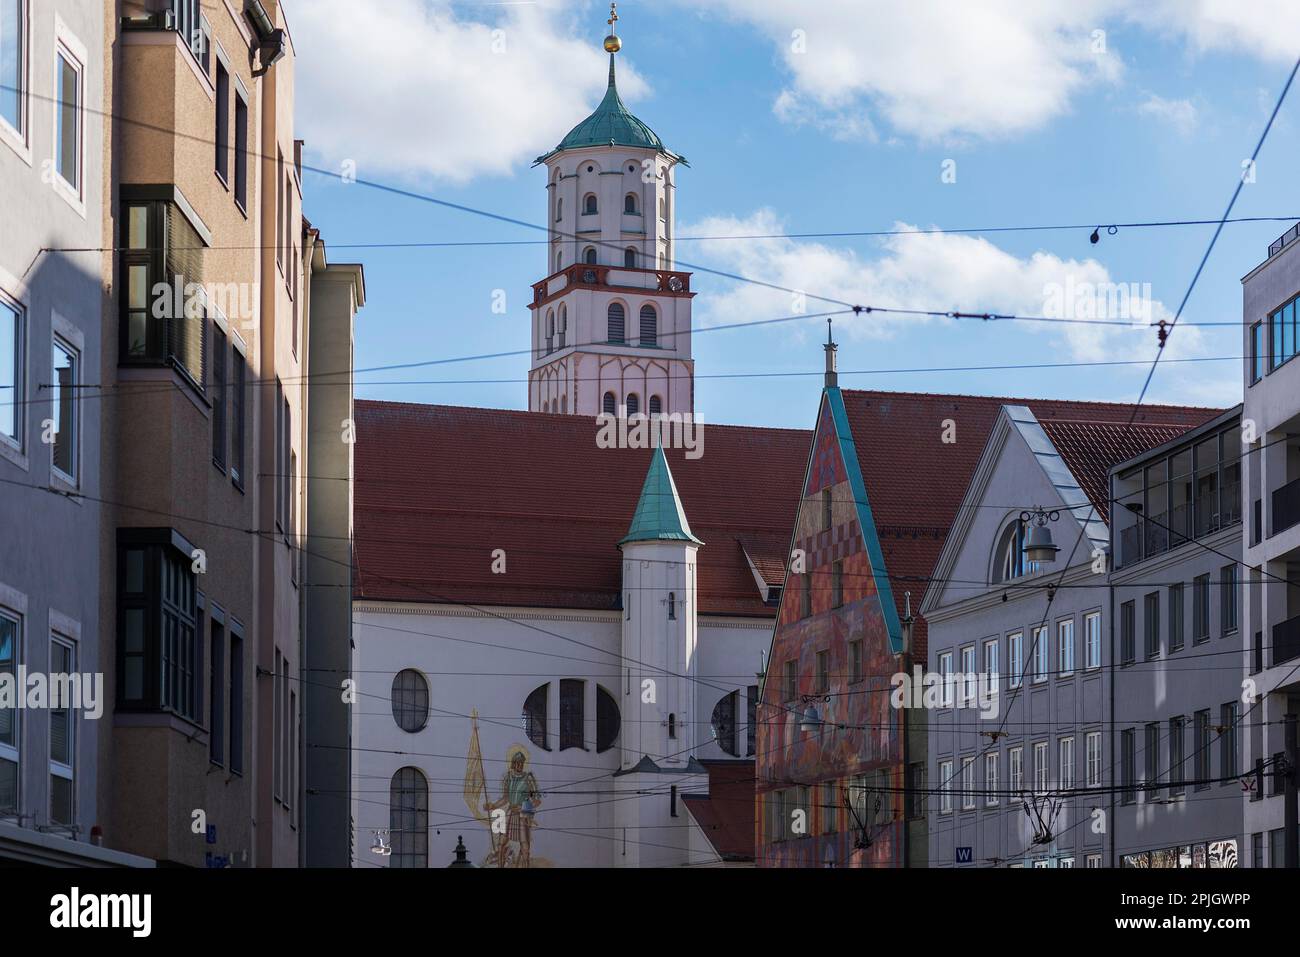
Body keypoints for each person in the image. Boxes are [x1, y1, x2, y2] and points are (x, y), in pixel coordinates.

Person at [484, 748, 542, 867]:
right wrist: (493, 806)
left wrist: (523, 808)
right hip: (510, 814)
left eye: (521, 762)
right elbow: (505, 798)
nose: (519, 764)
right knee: (501, 844)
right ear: (513, 763)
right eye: (517, 762)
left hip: (522, 815)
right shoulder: (508, 778)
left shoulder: (528, 779)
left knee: (525, 848)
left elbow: (537, 801)